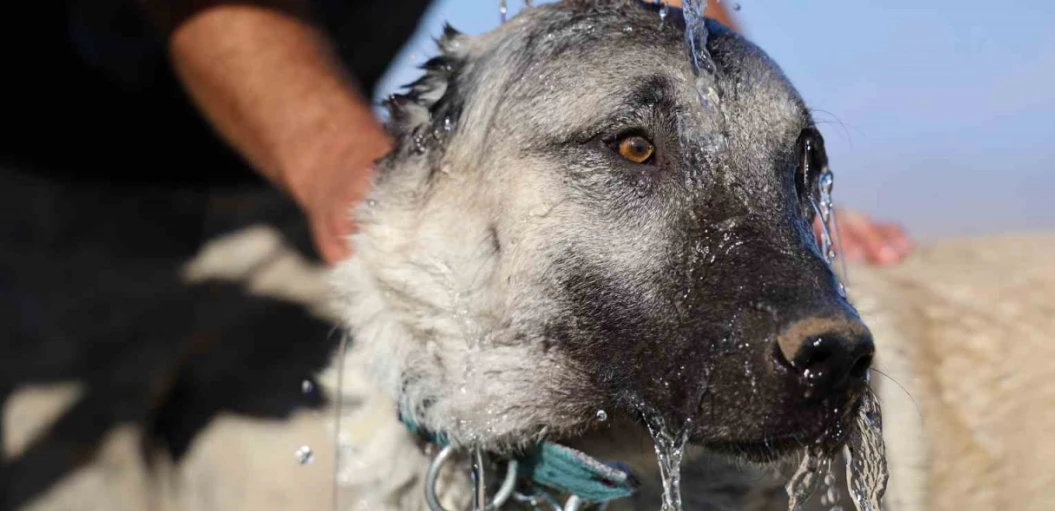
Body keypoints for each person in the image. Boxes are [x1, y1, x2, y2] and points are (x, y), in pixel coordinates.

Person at [5, 0, 909, 267]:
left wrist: (758, 200)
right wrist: (362, 181)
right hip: (58, 182)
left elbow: (656, 12)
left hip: (286, 196)